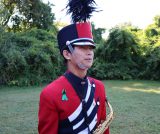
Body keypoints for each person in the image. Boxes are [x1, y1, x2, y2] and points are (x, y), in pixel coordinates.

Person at [38, 22, 110, 134]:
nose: (89, 53)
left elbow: (104, 128)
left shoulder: (99, 87)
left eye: (91, 48)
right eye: (82, 47)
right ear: (67, 54)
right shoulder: (50, 93)